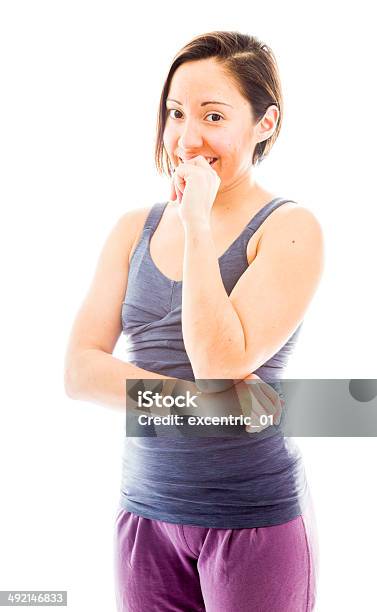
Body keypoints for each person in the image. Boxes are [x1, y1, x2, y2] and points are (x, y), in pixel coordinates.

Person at [64, 30, 324, 612]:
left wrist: (199, 223)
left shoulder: (289, 229)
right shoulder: (134, 228)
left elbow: (221, 362)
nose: (186, 138)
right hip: (145, 515)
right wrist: (204, 403)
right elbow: (80, 372)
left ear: (265, 123)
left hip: (251, 520)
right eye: (176, 113)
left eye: (213, 115)